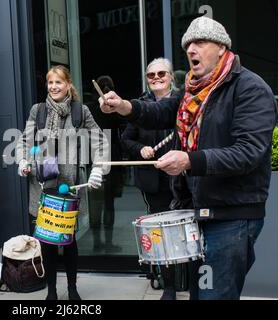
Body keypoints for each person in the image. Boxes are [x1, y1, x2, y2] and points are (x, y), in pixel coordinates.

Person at [99, 17, 278, 300]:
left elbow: (248, 153)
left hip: (232, 216)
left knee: (213, 296)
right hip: (196, 213)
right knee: (200, 294)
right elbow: (160, 112)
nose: (191, 49)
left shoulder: (250, 88)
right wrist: (123, 106)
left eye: (200, 42)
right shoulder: (191, 89)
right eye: (187, 45)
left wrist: (189, 161)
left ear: (221, 48)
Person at [16, 65, 108, 300]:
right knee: (46, 243)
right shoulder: (38, 111)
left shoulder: (80, 111)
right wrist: (23, 160)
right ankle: (52, 291)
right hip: (42, 188)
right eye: (50, 83)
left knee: (68, 242)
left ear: (68, 84)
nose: (54, 87)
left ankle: (73, 288)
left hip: (70, 187)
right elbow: (25, 141)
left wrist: (99, 168)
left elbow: (100, 141)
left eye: (59, 82)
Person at [121, 58, 178, 300]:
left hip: (183, 178)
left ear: (171, 77)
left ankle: (191, 278)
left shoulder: (184, 102)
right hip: (155, 182)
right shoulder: (141, 106)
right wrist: (140, 149)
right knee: (162, 234)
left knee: (187, 231)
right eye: (150, 75)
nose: (156, 78)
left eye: (161, 73)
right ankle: (170, 285)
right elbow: (126, 139)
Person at [87, 75, 125, 253]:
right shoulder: (94, 110)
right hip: (105, 158)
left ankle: (99, 243)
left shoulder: (99, 109)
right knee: (104, 203)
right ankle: (102, 243)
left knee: (103, 203)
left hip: (106, 158)